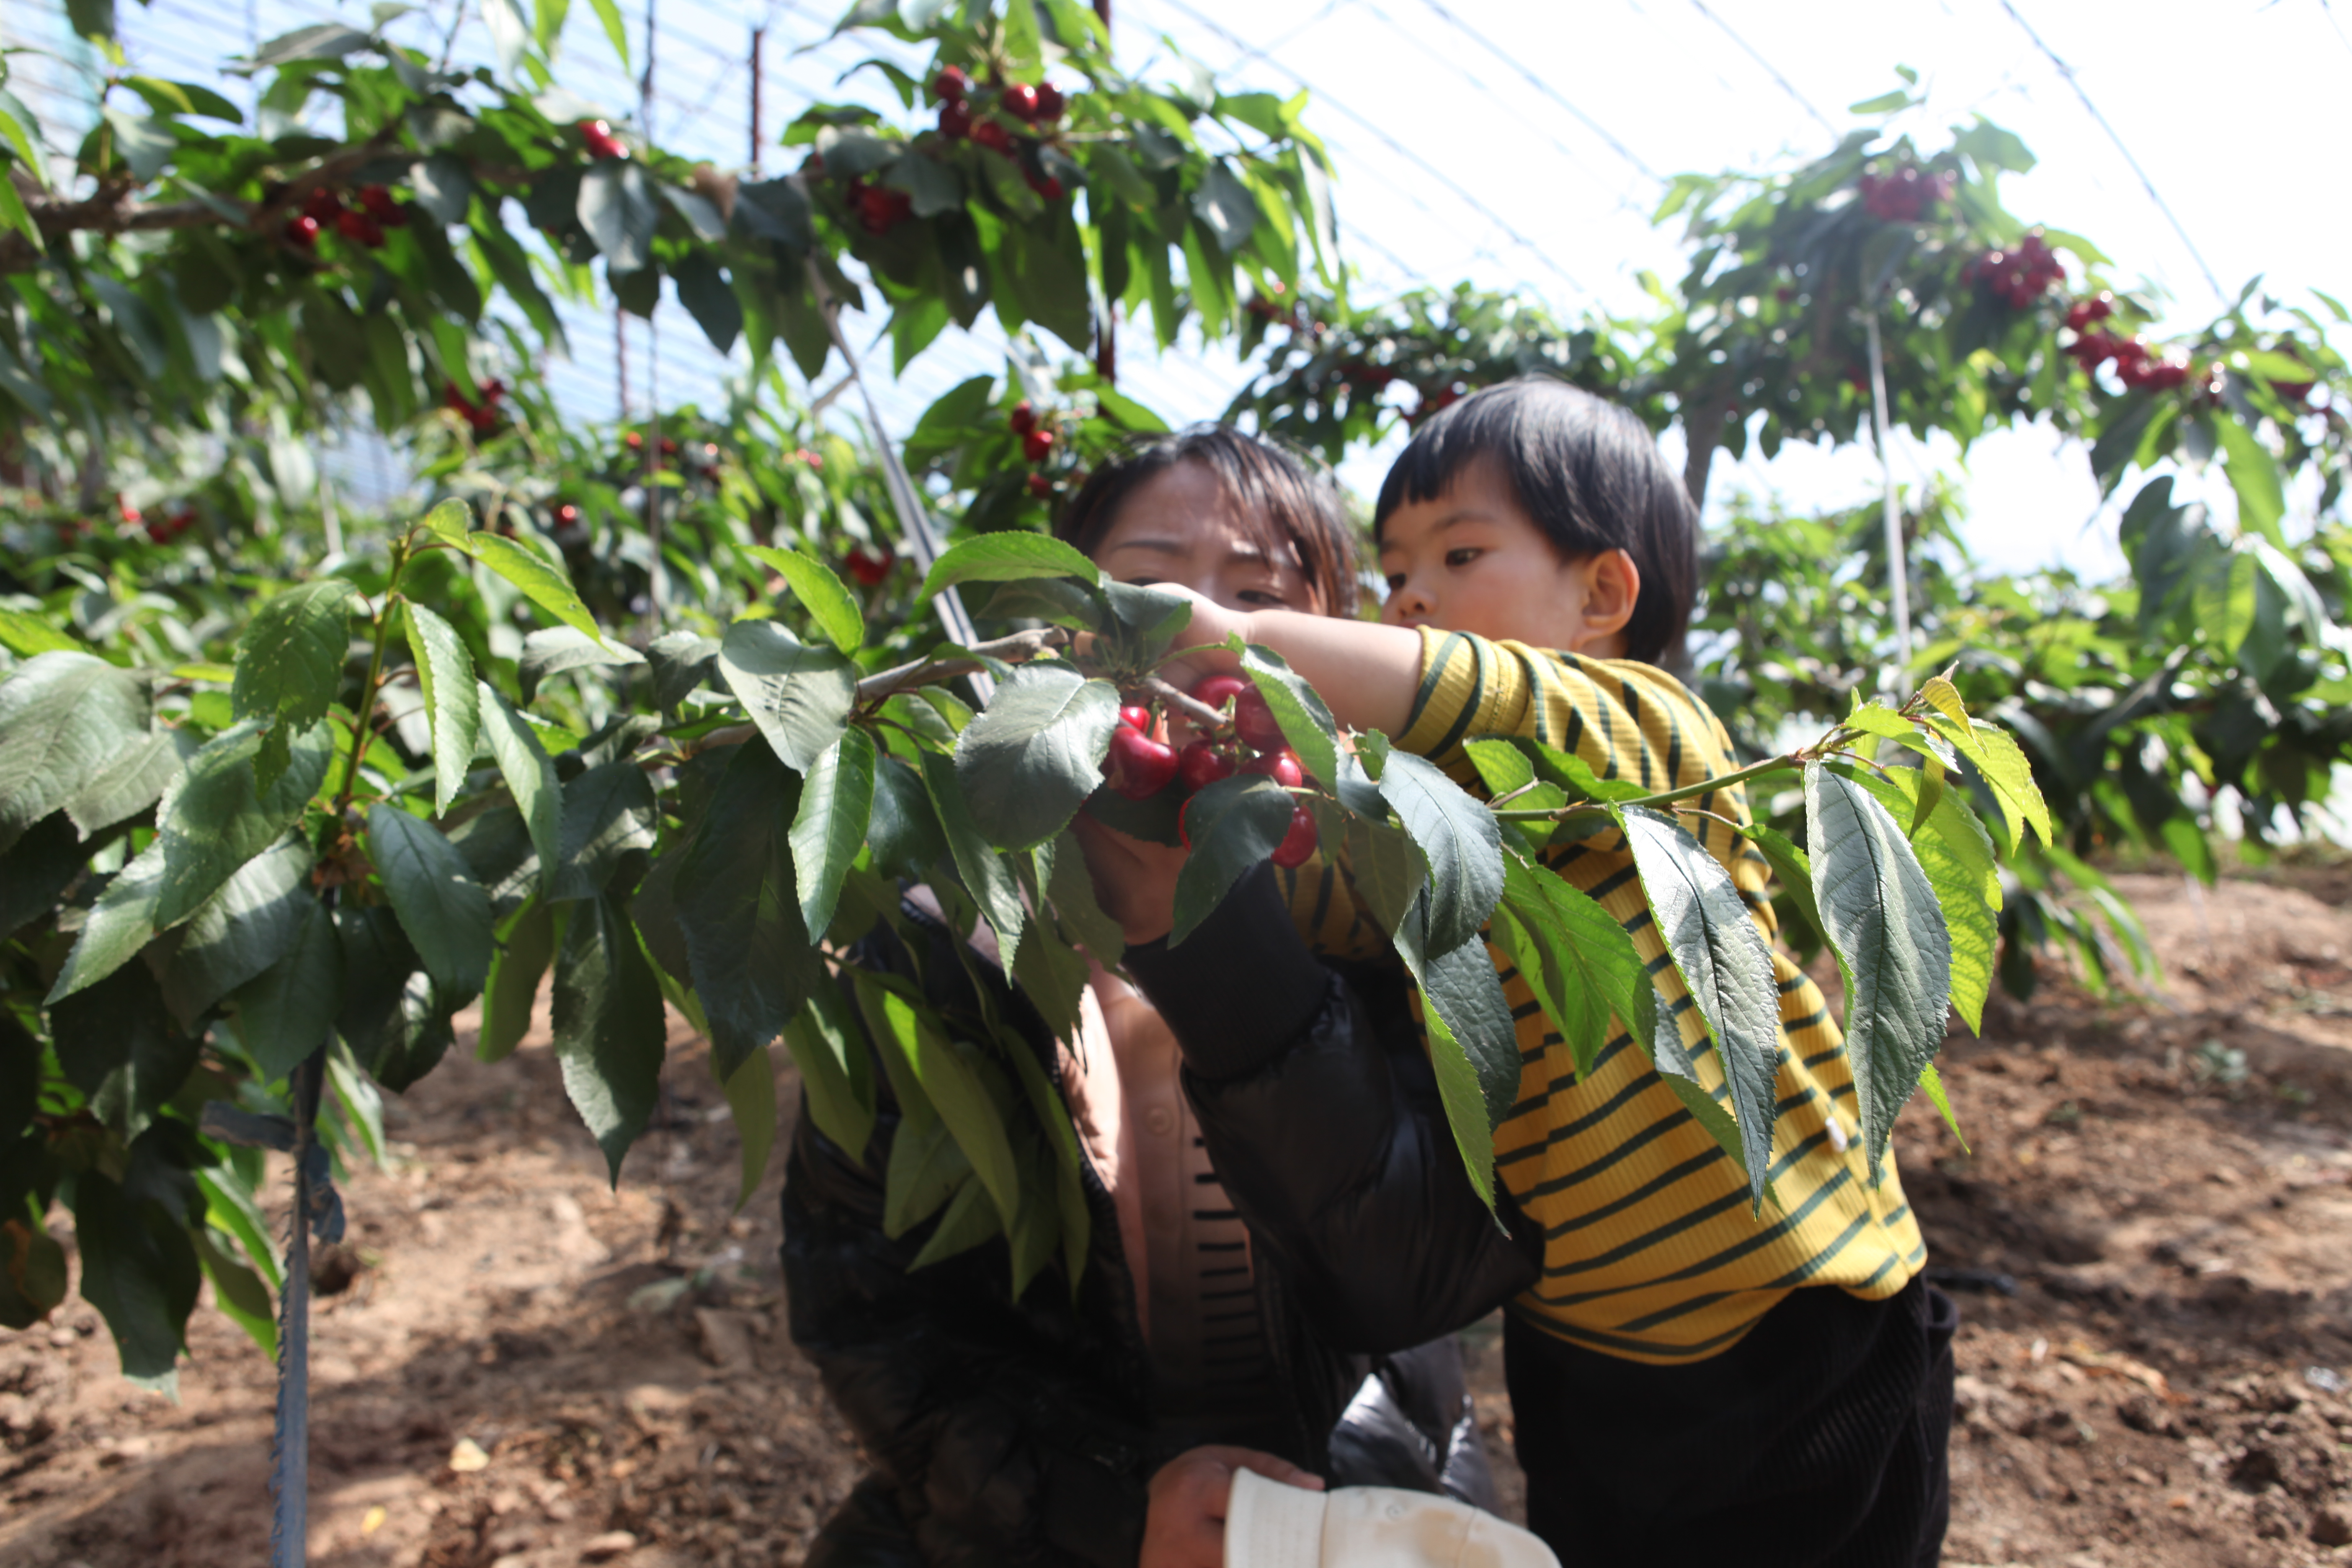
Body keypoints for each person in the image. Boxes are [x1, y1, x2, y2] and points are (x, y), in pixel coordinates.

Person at [1074, 379, 1957, 1567]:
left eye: (1462, 550)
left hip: (1799, 1333)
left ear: (1603, 596)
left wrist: (1241, 641)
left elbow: (1481, 690)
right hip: (1588, 1348)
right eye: (1394, 573)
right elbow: (1296, 884)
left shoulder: (1646, 731)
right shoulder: (1407, 819)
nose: (1414, 596)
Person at [782, 425, 1493, 1568]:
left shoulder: (1389, 906)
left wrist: (1221, 946)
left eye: (1258, 596)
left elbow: (1418, 1271)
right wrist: (1114, 1514)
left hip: (1358, 1495)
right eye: (1148, 585)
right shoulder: (945, 944)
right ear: (1062, 631)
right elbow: (871, 1311)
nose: (1196, 629)